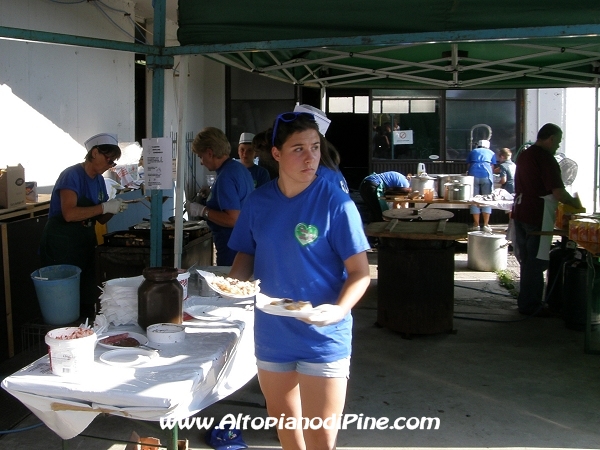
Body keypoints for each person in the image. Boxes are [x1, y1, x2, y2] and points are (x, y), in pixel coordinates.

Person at [228, 111, 371, 450]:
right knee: (288, 434)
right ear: (276, 154)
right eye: (298, 149)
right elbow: (245, 254)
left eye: (315, 147)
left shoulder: (336, 203)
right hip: (272, 331)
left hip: (323, 334)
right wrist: (229, 289)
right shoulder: (258, 201)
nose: (310, 157)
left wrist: (339, 310)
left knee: (320, 437)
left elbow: (360, 272)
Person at [40, 133, 128, 320]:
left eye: (113, 162)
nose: (110, 165)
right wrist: (104, 206)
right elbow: (69, 214)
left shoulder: (98, 181)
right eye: (109, 159)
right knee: (64, 300)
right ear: (94, 153)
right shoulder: (71, 175)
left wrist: (114, 208)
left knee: (86, 297)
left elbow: (101, 219)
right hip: (62, 245)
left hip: (85, 242)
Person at [512, 123, 582, 316]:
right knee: (535, 263)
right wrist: (576, 205)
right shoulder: (545, 158)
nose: (558, 146)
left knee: (527, 261)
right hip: (536, 214)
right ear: (550, 138)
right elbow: (559, 192)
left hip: (520, 211)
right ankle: (531, 306)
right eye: (557, 142)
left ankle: (526, 302)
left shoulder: (525, 154)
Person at [186, 127, 254, 266]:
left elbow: (233, 219)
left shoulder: (225, 176)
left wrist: (202, 210)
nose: (201, 162)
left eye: (201, 156)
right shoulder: (238, 168)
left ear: (210, 153)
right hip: (244, 244)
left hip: (232, 248)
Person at [467, 139, 496, 233]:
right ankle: (486, 225)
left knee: (474, 200)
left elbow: (469, 164)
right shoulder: (491, 152)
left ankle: (476, 225)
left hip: (473, 176)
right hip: (486, 175)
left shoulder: (473, 151)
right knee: (486, 199)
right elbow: (492, 166)